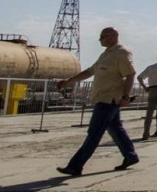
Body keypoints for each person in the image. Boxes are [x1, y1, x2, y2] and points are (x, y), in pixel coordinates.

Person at [55, 27, 139, 176]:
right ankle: (130, 156)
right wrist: (68, 81)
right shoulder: (106, 54)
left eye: (103, 37)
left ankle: (75, 166)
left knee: (94, 133)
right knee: (115, 128)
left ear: (113, 36)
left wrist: (126, 96)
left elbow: (131, 74)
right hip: (102, 98)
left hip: (109, 99)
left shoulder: (121, 53)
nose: (100, 40)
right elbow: (89, 71)